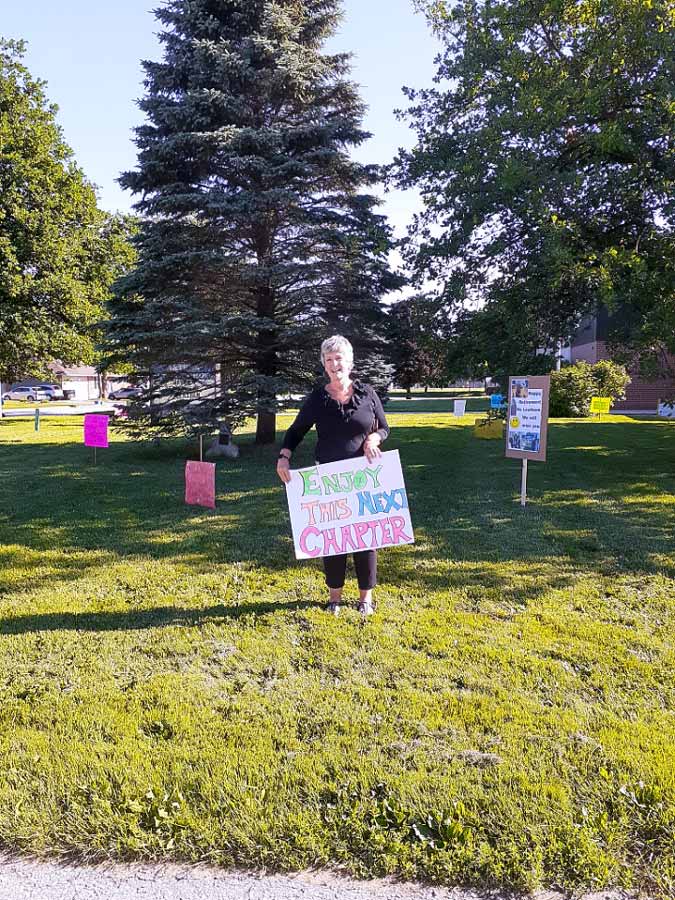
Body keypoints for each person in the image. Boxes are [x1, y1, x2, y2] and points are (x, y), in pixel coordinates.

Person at [276, 335, 390, 617]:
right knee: (333, 539)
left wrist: (373, 439)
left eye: (338, 358)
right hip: (329, 479)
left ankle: (366, 598)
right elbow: (296, 430)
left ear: (349, 362)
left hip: (364, 477)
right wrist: (284, 456)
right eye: (328, 359)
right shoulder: (318, 398)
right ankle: (334, 598)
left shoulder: (368, 394)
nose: (334, 364)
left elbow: (385, 428)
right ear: (324, 365)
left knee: (365, 539)